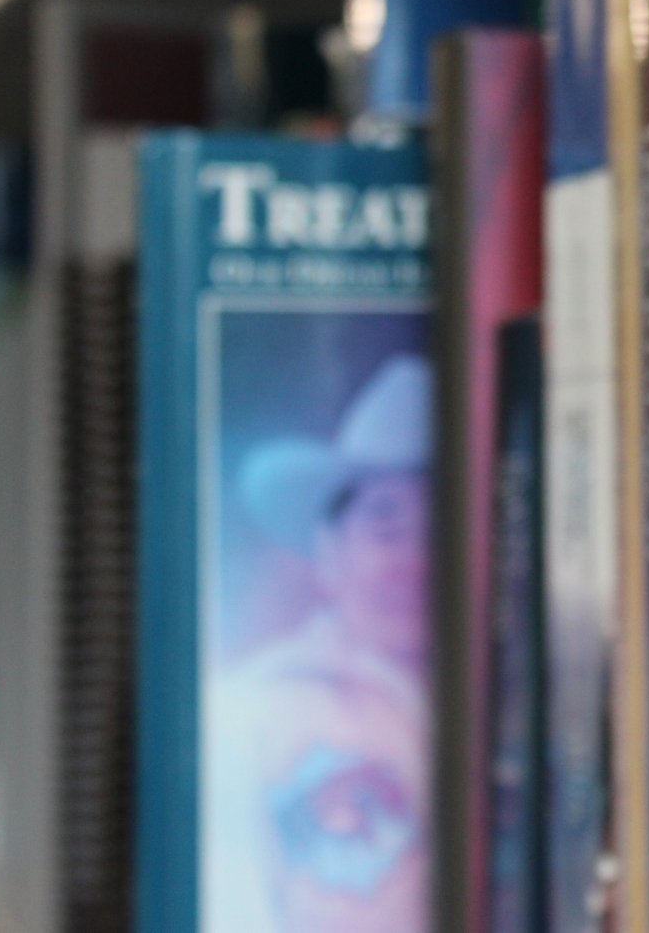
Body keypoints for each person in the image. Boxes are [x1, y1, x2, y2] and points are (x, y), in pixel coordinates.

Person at [206, 353, 432, 933]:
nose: (414, 561)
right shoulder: (252, 711)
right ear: (329, 553)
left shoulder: (518, 700)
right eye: (387, 530)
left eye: (439, 533)